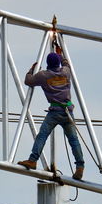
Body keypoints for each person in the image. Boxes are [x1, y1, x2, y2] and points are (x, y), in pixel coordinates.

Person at [17, 49, 85, 180]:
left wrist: (31, 70)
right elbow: (67, 64)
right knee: (74, 140)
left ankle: (33, 160)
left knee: (42, 135)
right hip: (68, 112)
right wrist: (61, 55)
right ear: (58, 63)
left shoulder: (44, 75)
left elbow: (28, 81)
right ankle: (80, 167)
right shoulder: (66, 72)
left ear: (48, 63)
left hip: (55, 112)